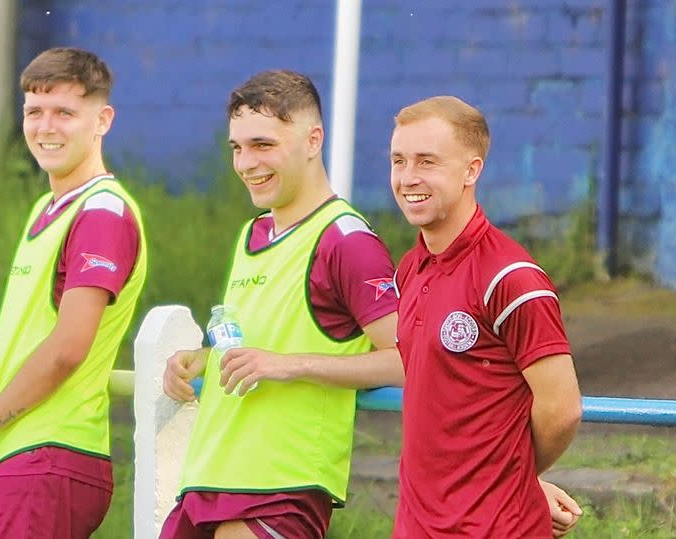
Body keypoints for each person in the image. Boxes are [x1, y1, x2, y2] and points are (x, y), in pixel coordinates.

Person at [160, 69, 403, 539]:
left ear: (313, 140)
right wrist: (201, 361)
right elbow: (264, 346)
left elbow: (409, 359)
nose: (246, 162)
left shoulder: (345, 240)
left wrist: (288, 365)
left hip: (280, 488)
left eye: (263, 144)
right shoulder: (252, 234)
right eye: (237, 147)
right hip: (207, 480)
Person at [0, 47, 148, 538]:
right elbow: (32, 333)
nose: (46, 127)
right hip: (13, 458)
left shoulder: (101, 213)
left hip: (48, 458)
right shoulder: (50, 206)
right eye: (34, 111)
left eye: (66, 112)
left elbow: (66, 349)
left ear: (102, 119)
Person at [389, 95, 583, 538]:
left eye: (427, 161)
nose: (408, 177)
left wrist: (511, 478)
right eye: (399, 160)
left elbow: (563, 408)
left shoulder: (511, 278)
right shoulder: (409, 269)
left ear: (471, 171)